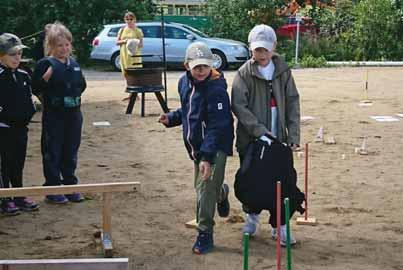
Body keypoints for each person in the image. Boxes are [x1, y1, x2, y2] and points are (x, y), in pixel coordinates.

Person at [159, 42, 233, 254]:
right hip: (196, 146)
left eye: (205, 66)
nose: (201, 70)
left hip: (215, 144)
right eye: (196, 66)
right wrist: (172, 118)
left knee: (204, 189)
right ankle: (222, 192)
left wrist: (207, 158)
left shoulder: (217, 90)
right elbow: (189, 110)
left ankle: (205, 233)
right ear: (186, 66)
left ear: (211, 66)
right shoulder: (184, 83)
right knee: (203, 186)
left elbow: (217, 126)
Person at [231, 24, 301, 245]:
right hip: (252, 140)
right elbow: (239, 106)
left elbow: (292, 102)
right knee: (251, 181)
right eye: (257, 50)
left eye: (265, 49)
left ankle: (280, 227)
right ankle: (252, 219)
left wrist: (293, 135)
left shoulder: (283, 70)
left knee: (282, 182)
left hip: (278, 138)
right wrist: (260, 131)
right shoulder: (244, 73)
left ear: (274, 48)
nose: (261, 54)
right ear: (251, 49)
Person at [32, 23, 86, 204]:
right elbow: (35, 88)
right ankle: (53, 188)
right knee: (52, 151)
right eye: (59, 45)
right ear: (51, 46)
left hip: (74, 114)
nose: (63, 49)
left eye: (66, 45)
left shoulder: (75, 64)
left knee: (70, 151)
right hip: (55, 115)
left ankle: (70, 185)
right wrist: (45, 79)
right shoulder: (45, 64)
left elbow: (82, 86)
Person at [0, 33, 38, 215]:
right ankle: (4, 197)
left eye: (19, 54)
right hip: (3, 128)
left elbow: (29, 99)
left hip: (21, 128)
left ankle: (19, 194)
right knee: (4, 165)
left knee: (18, 162)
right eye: (12, 54)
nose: (17, 58)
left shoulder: (23, 75)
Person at [117, 11, 144, 101]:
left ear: (134, 19)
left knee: (135, 74)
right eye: (127, 19)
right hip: (124, 54)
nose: (129, 21)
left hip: (134, 55)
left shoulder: (138, 30)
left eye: (131, 19)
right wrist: (126, 41)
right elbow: (117, 42)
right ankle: (131, 93)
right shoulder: (122, 29)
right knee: (126, 74)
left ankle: (134, 94)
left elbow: (141, 44)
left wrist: (134, 42)